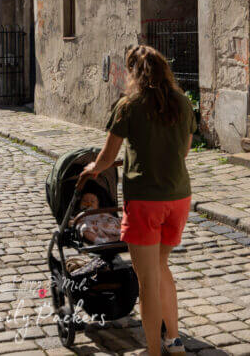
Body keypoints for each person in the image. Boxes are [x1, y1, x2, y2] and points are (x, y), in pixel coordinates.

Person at [77, 45, 195, 355]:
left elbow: (108, 156)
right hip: (179, 197)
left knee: (147, 283)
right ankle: (174, 339)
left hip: (145, 202)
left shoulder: (129, 106)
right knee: (162, 266)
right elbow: (184, 151)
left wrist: (92, 169)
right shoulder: (182, 103)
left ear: (134, 73)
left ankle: (154, 351)